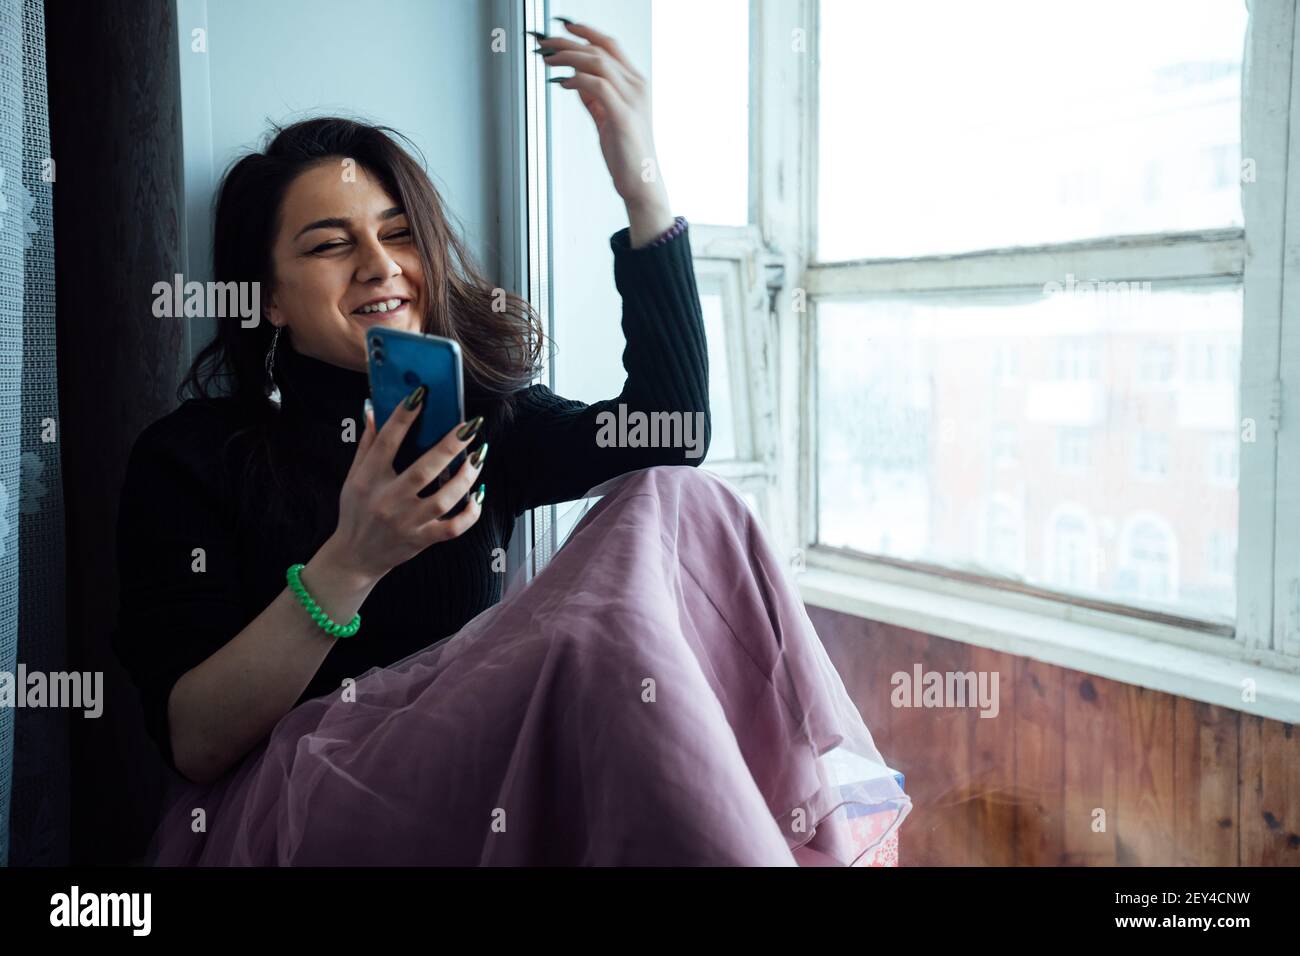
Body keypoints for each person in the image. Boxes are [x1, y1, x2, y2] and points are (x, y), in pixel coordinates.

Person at [112, 21, 909, 865]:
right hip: (283, 811)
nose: (381, 266)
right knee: (600, 652)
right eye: (330, 245)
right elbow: (195, 742)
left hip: (478, 780)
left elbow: (671, 432)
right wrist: (352, 561)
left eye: (399, 232)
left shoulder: (478, 427)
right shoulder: (191, 457)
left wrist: (640, 180)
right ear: (268, 296)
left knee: (680, 498)